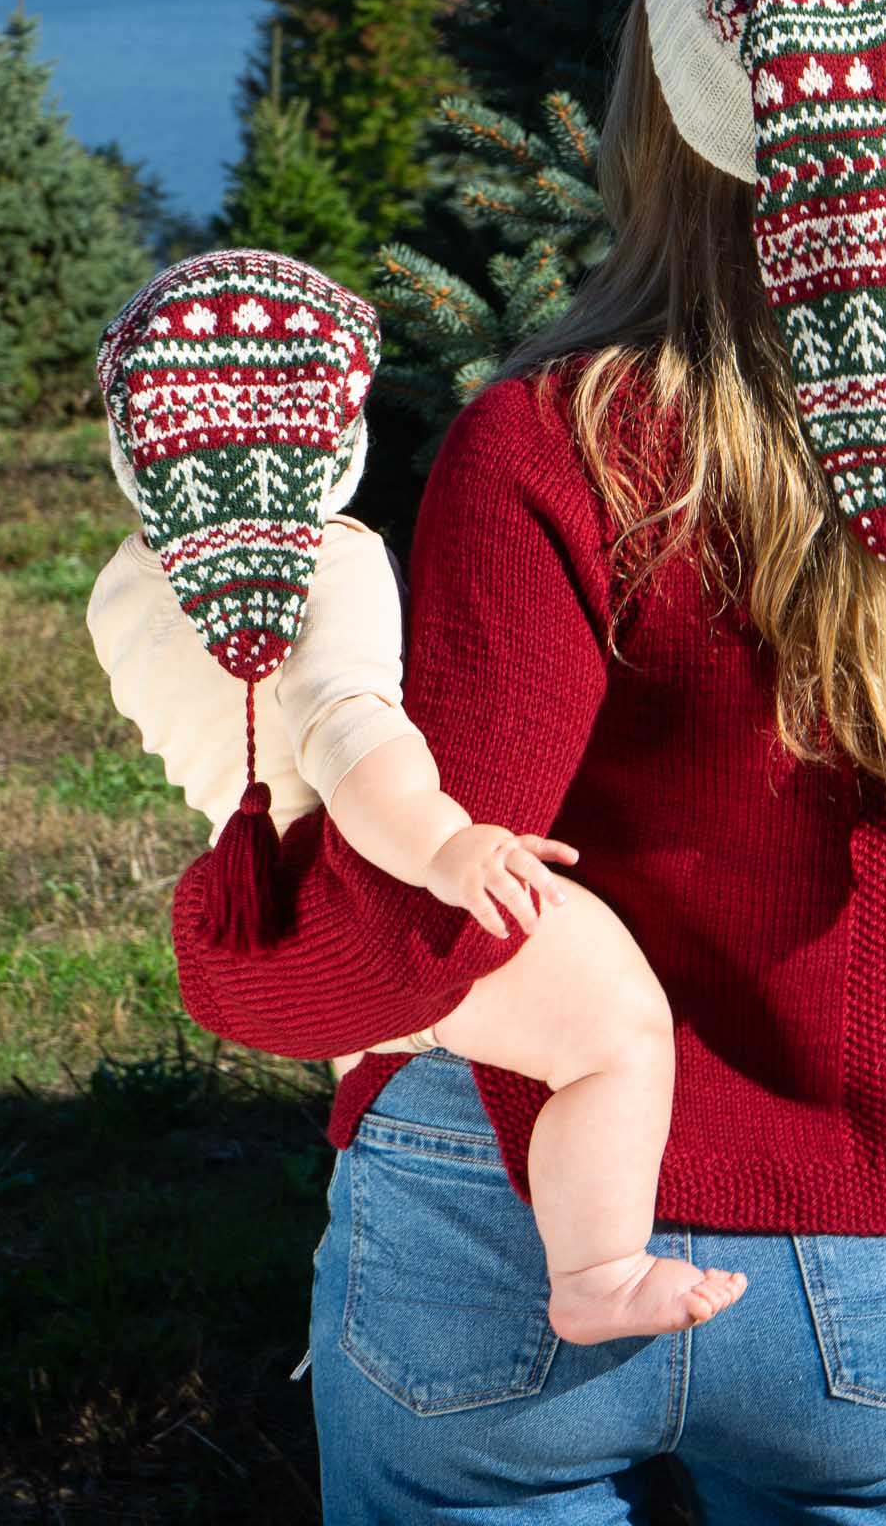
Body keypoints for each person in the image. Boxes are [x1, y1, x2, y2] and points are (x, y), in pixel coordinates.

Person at [167, 0, 886, 1525]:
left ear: (660, 105)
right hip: (855, 1229)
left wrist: (238, 950)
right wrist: (842, 976)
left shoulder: (556, 441)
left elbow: (446, 902)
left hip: (496, 1208)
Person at [87, 247, 749, 1345]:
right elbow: (351, 736)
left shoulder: (120, 590)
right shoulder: (333, 562)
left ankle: (387, 1086)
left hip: (259, 910)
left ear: (132, 450)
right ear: (337, 444)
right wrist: (447, 848)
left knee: (413, 1025)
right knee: (620, 1031)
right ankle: (599, 1271)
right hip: (376, 877)